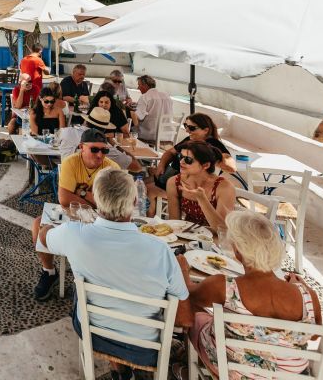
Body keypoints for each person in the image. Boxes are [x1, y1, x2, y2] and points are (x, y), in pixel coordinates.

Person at [37, 167, 192, 375]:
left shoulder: (74, 235)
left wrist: (49, 227)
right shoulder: (160, 250)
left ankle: (118, 368)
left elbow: (44, 237)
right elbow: (183, 320)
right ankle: (125, 367)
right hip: (145, 348)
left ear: (96, 201)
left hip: (95, 335)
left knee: (80, 292)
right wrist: (183, 272)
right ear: (135, 201)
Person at [182, 211, 322, 379]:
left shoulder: (223, 286)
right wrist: (302, 286)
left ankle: (184, 364)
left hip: (237, 372)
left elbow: (188, 295)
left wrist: (182, 270)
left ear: (238, 251)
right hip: (292, 376)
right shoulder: (308, 295)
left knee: (193, 312)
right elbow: (314, 334)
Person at [30, 129, 122, 300]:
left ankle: (91, 277)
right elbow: (64, 199)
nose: (100, 155)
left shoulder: (112, 168)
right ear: (81, 147)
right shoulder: (71, 162)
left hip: (100, 218)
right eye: (94, 149)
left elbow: (112, 206)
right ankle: (49, 271)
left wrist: (81, 194)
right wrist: (94, 199)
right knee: (37, 224)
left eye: (104, 150)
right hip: (72, 212)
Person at [154, 113, 236, 192]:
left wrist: (211, 159)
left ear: (205, 130)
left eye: (191, 128)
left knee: (147, 187)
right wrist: (161, 164)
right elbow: (171, 152)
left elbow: (231, 167)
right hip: (169, 178)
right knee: (145, 178)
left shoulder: (212, 144)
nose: (187, 130)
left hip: (181, 187)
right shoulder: (190, 139)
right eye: (185, 126)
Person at [166, 140, 236, 231]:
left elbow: (222, 230)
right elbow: (174, 222)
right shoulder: (174, 182)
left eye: (188, 160)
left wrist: (202, 199)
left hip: (216, 240)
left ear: (205, 165)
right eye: (180, 157)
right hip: (189, 235)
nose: (181, 162)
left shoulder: (224, 187)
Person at [54, 107, 143, 173]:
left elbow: (55, 141)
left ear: (86, 121)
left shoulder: (65, 132)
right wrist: (116, 146)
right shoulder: (104, 148)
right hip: (91, 188)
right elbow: (137, 167)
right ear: (104, 130)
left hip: (65, 182)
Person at [131, 75, 172, 144]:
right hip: (167, 135)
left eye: (139, 85)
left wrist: (132, 112)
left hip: (150, 135)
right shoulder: (166, 96)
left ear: (145, 85)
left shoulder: (145, 97)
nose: (138, 88)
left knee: (129, 128)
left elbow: (138, 117)